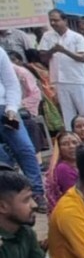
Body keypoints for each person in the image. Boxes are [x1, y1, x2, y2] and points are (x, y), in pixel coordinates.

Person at [0, 48, 46, 211]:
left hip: (5, 108)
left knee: (25, 149)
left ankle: (37, 193)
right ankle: (10, 198)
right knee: (3, 158)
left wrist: (12, 107)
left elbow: (11, 83)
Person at [38, 9, 84, 132]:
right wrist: (53, 50)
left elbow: (83, 58)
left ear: (64, 20)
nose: (53, 23)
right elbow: (43, 57)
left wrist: (64, 50)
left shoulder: (77, 37)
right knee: (68, 115)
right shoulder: (47, 36)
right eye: (51, 20)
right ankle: (71, 140)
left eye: (56, 20)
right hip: (59, 80)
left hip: (76, 80)